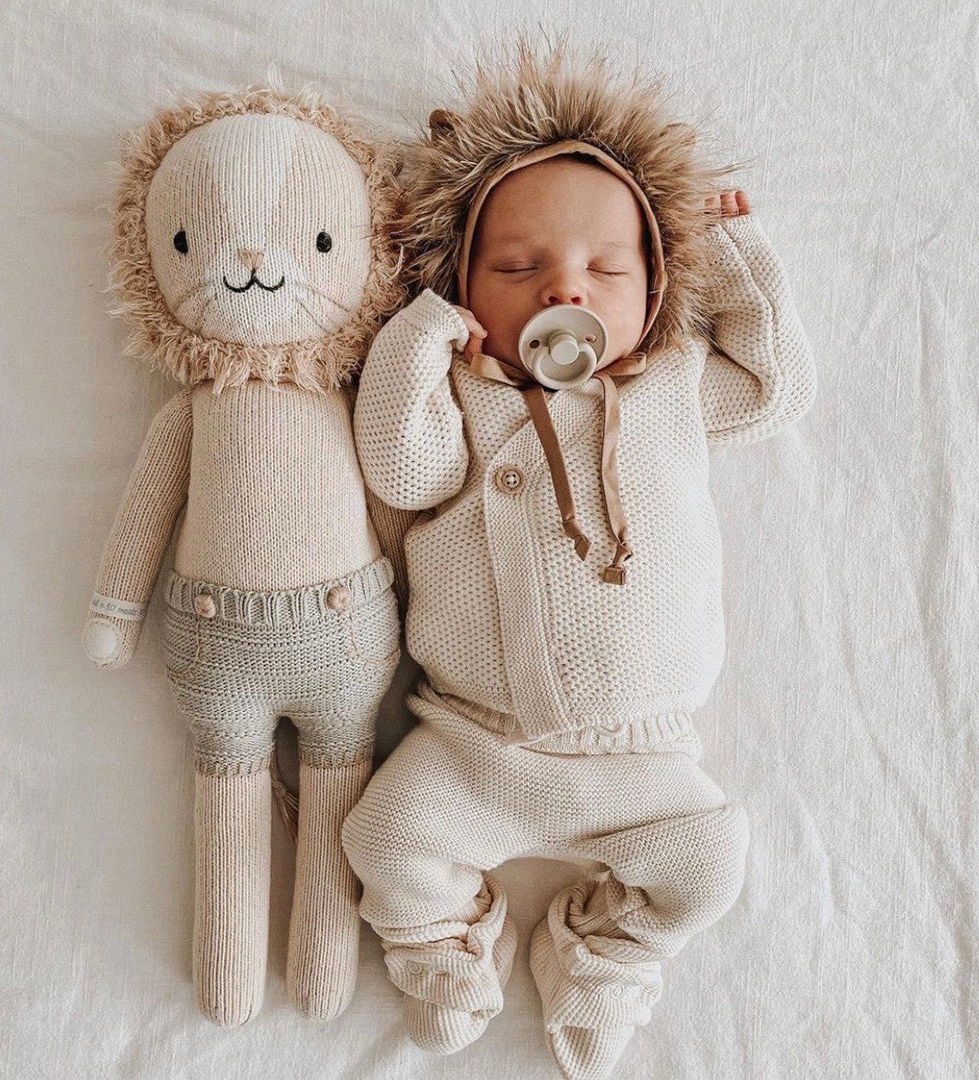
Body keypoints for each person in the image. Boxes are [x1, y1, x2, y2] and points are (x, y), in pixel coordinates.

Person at [343, 41, 816, 1080]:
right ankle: (442, 942)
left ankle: (604, 951)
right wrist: (421, 336)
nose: (569, 288)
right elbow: (400, 467)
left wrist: (738, 257)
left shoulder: (674, 390)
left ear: (657, 286)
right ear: (467, 281)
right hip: (471, 741)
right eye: (518, 269)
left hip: (644, 762)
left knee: (712, 865)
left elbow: (778, 391)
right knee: (382, 838)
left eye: (608, 270)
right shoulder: (468, 397)